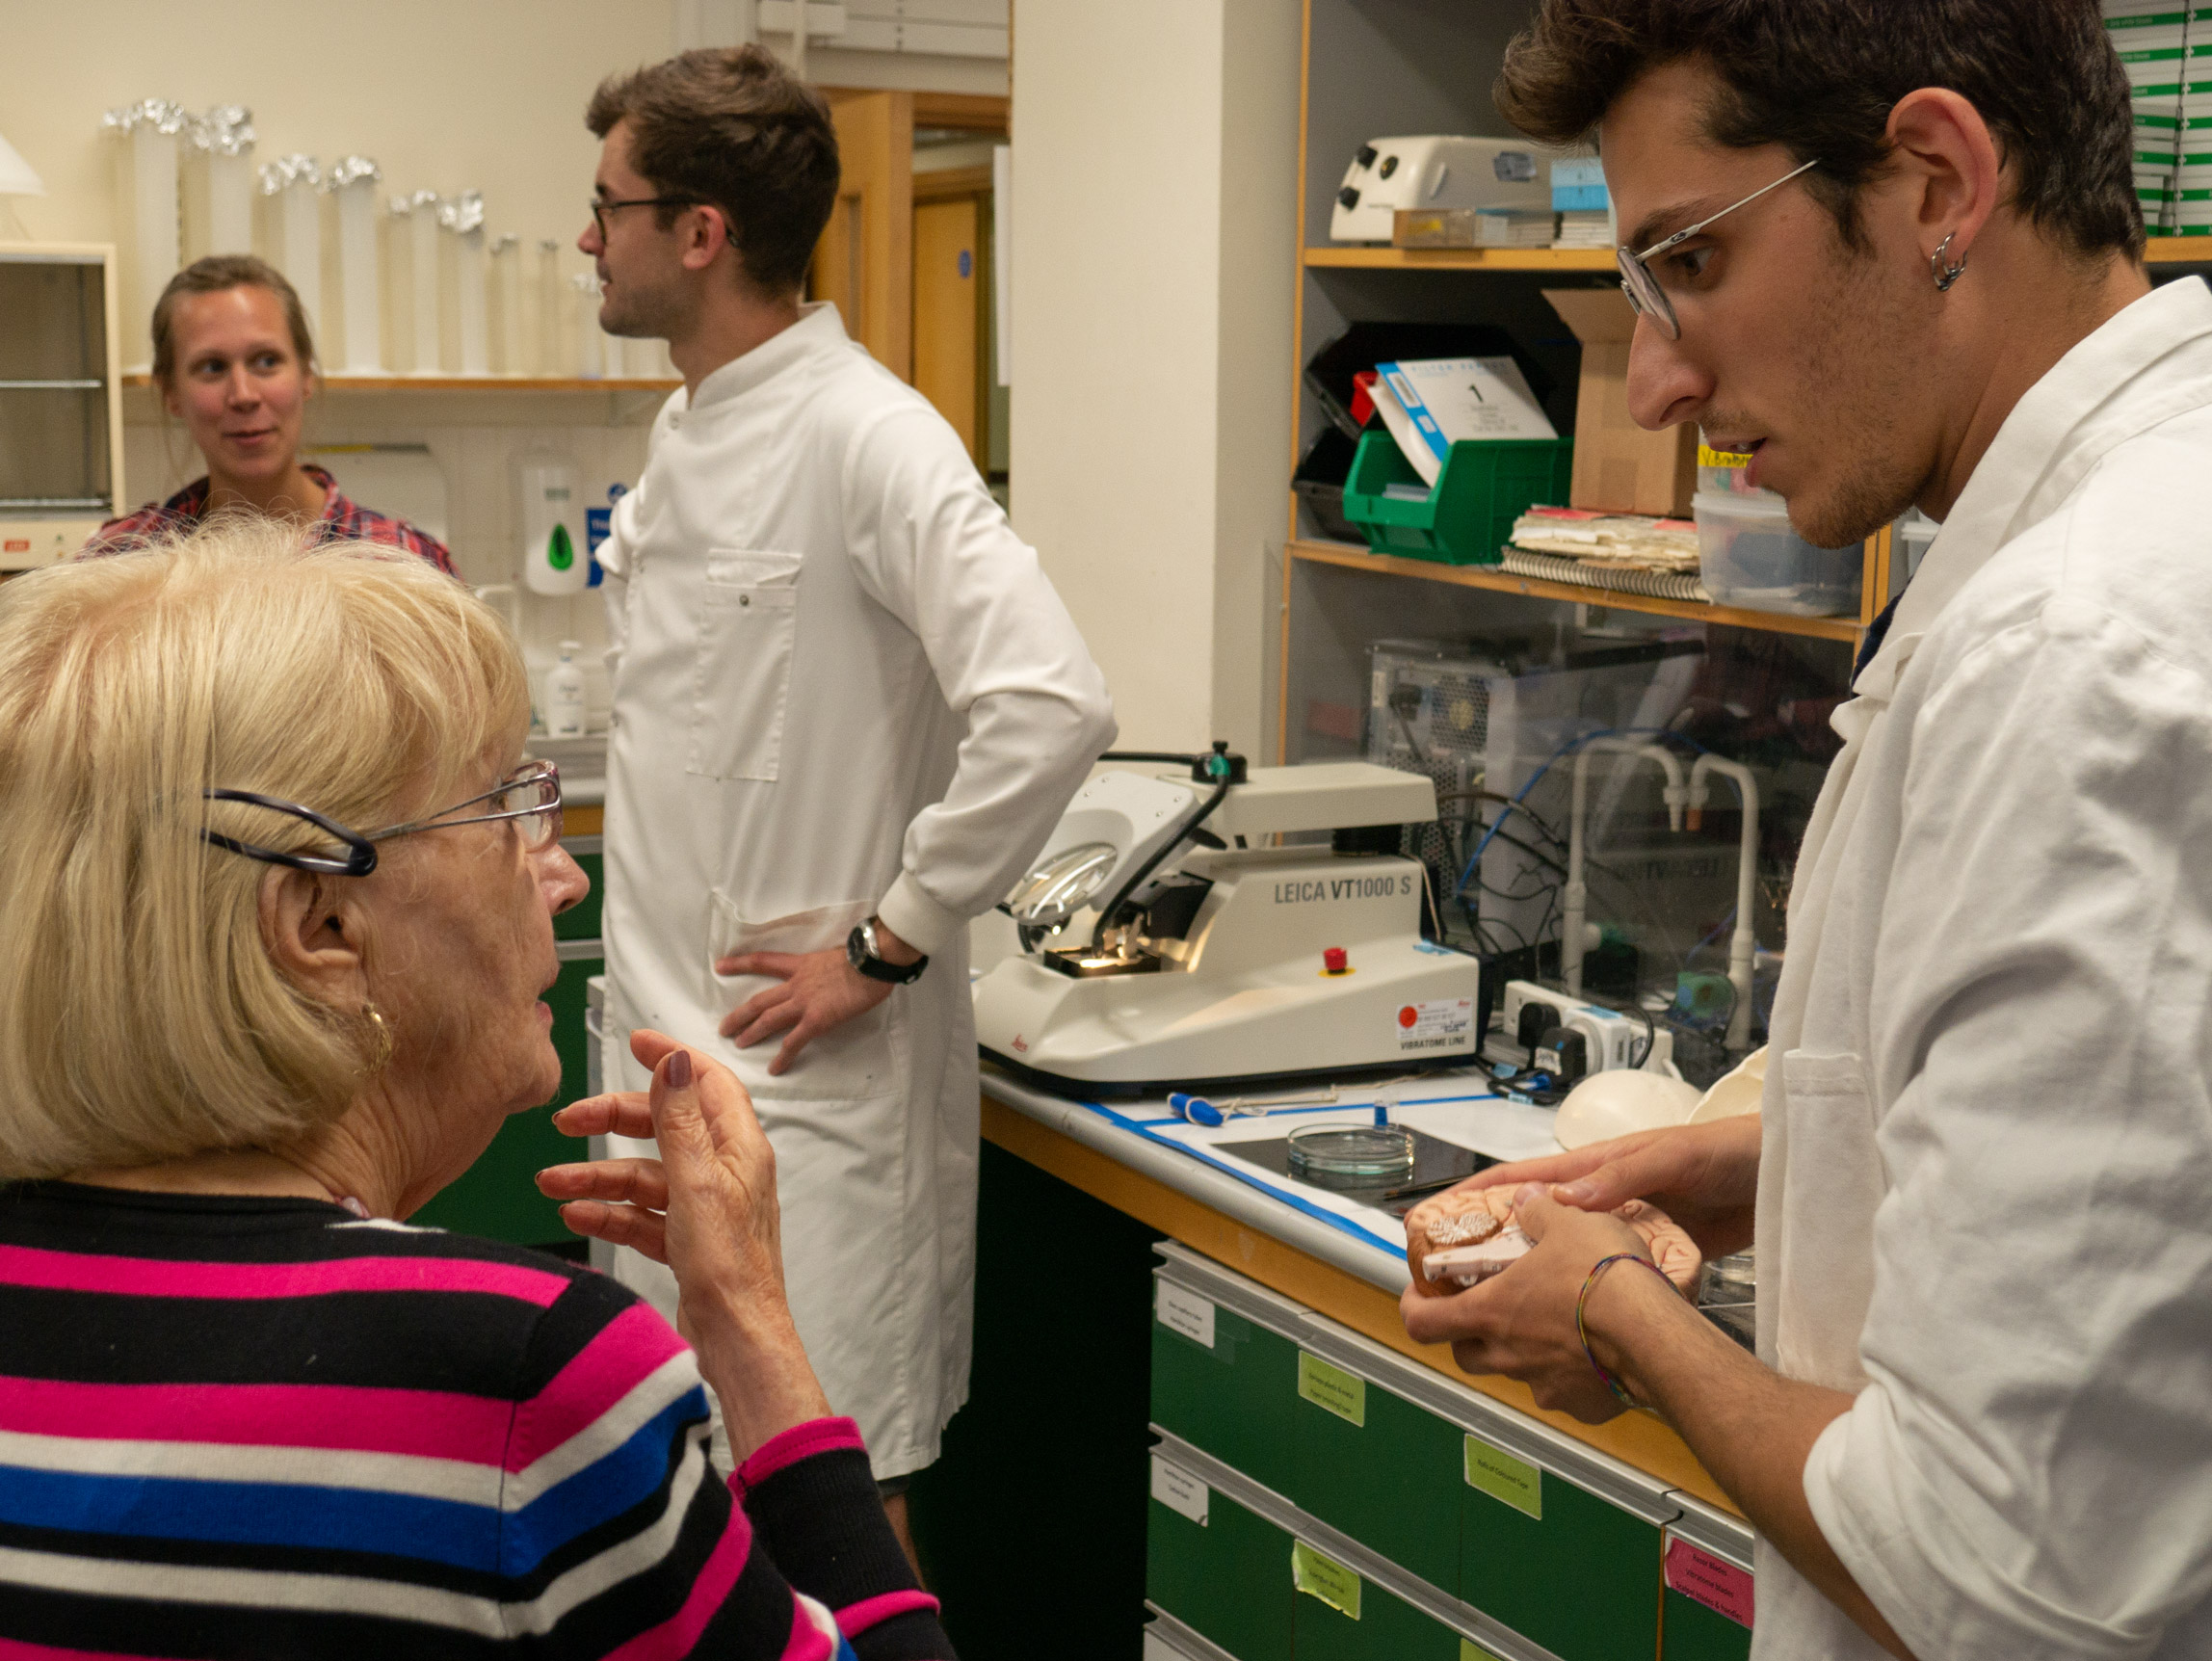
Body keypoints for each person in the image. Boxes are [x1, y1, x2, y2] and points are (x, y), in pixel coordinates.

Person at [1397, 3, 2212, 1658]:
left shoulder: (2075, 651)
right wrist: (1777, 1163)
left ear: (1934, 183)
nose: (1659, 377)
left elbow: (1992, 1568)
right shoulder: (2120, 536)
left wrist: (1612, 1304)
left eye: (1686, 265)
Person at [0, 522, 951, 1660]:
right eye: (505, 812)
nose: (559, 875)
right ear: (323, 924)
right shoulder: (519, 1382)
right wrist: (747, 1317)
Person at [579, 44, 1116, 1547]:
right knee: (690, 1511)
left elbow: (1052, 700)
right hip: (675, 1075)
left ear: (700, 231)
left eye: (606, 204)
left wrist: (894, 937)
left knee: (827, 1505)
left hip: (808, 1106)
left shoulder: (869, 434)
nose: (585, 237)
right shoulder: (690, 427)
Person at [81, 254, 455, 572]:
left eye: (266, 361)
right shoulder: (120, 564)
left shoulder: (403, 565)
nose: (243, 395)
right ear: (171, 393)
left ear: (306, 375)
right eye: (212, 367)